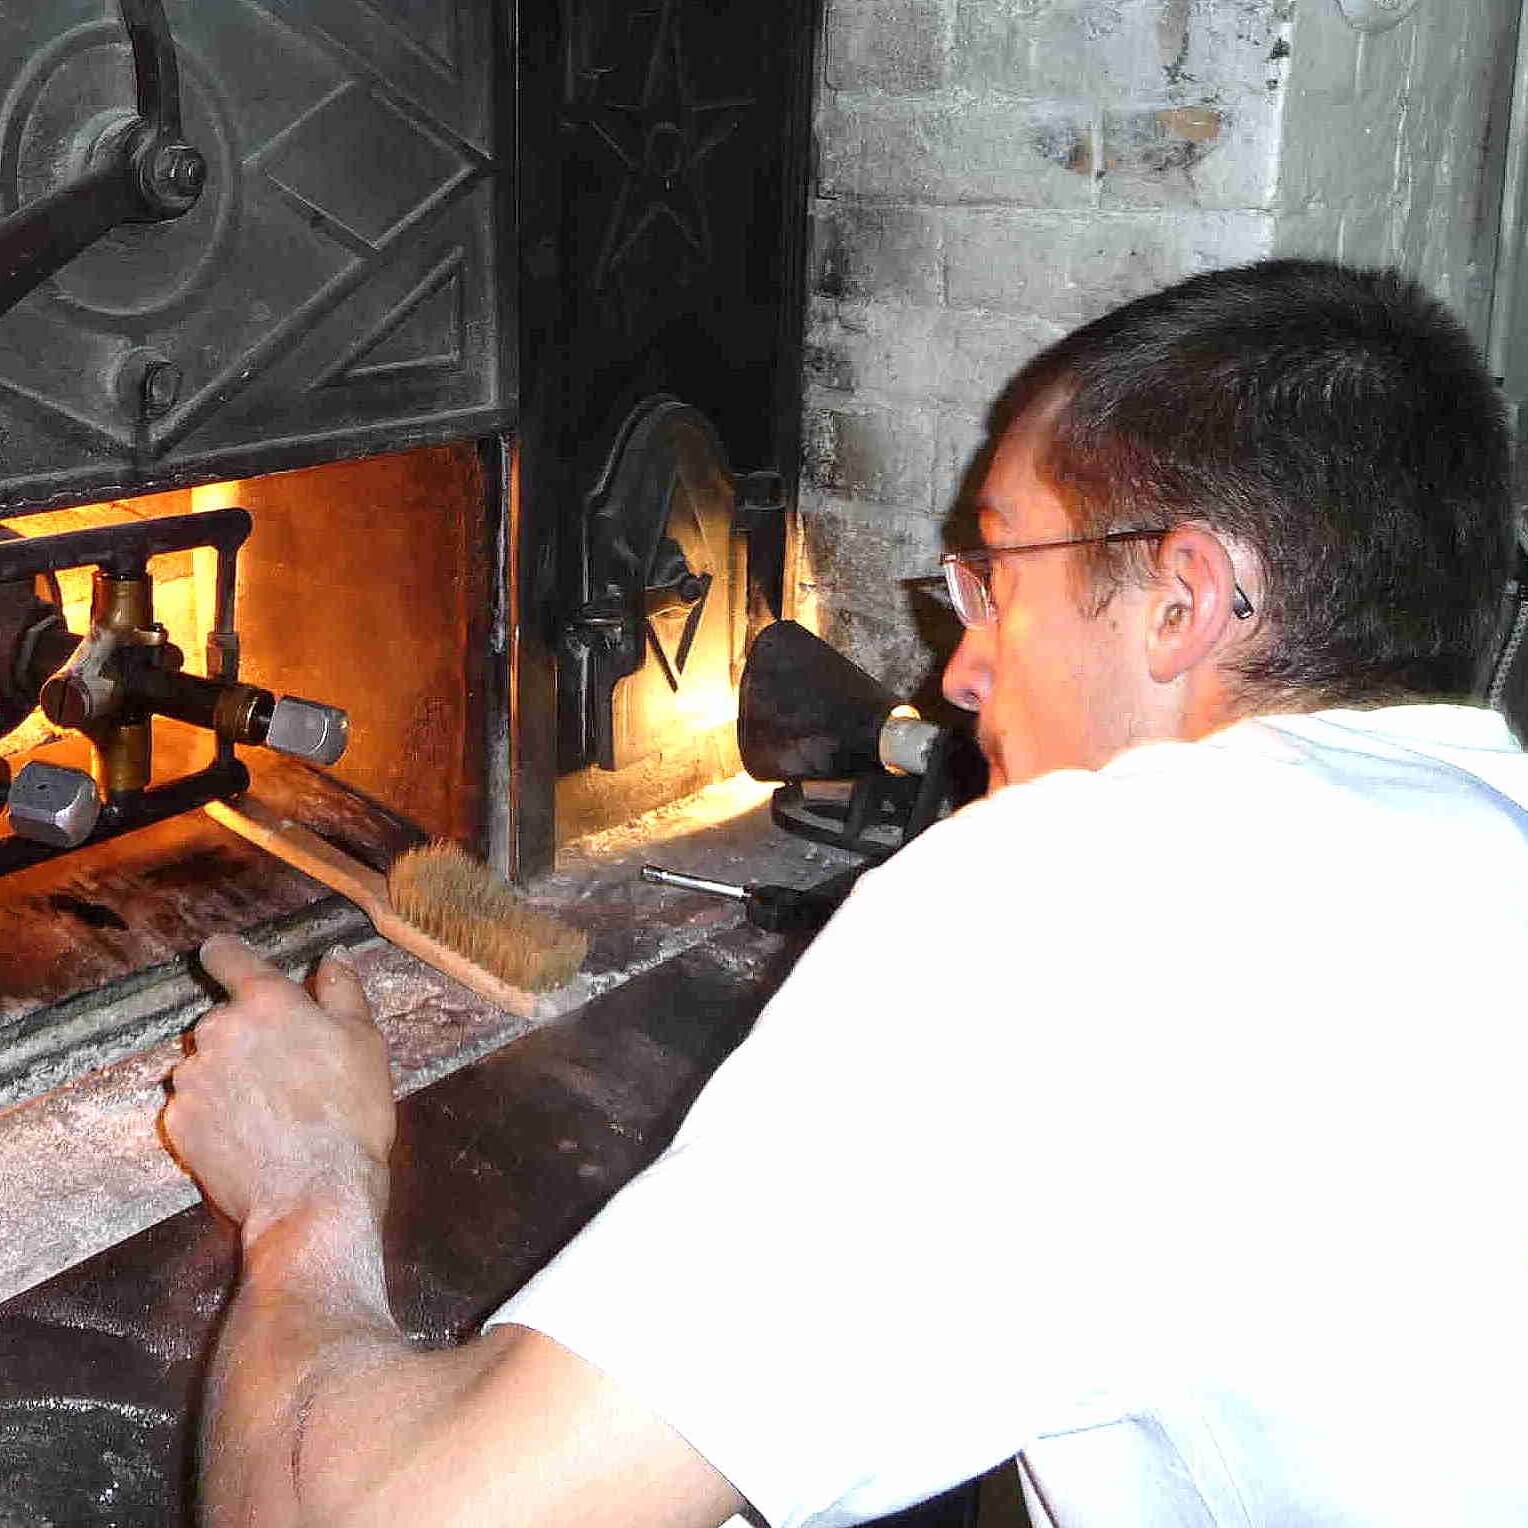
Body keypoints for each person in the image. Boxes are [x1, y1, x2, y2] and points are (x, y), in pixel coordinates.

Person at [163, 258, 1528, 1527]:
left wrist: (304, 1184)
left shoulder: (1101, 893)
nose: (959, 673)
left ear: (1184, 599)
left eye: (996, 578)